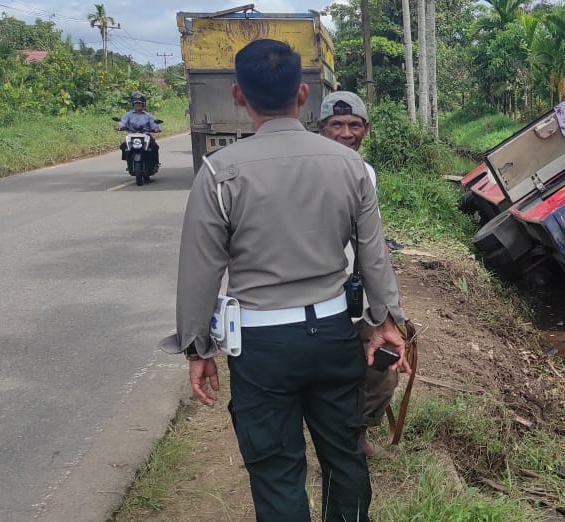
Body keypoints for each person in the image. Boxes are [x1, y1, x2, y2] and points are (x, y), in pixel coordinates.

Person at [165, 39, 407, 522]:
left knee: (276, 470)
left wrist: (198, 349)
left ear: (238, 95)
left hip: (261, 346)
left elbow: (199, 271)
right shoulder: (350, 165)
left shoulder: (219, 172)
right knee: (345, 456)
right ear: (302, 94)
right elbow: (372, 255)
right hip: (334, 335)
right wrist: (386, 321)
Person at [317, 91, 396, 457]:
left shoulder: (367, 173)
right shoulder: (306, 168)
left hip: (357, 288)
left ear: (366, 130)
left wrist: (387, 308)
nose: (346, 133)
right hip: (316, 292)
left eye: (354, 125)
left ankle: (357, 434)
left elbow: (372, 243)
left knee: (381, 365)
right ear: (321, 129)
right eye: (336, 124)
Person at [116, 92, 161, 173]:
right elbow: (122, 122)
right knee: (123, 146)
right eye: (136, 103)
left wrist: (156, 128)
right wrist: (119, 126)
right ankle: (129, 162)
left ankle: (155, 164)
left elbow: (154, 124)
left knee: (154, 147)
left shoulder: (148, 116)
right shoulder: (128, 115)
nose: (138, 105)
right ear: (133, 104)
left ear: (143, 104)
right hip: (132, 135)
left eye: (140, 103)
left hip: (145, 135)